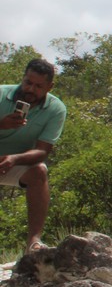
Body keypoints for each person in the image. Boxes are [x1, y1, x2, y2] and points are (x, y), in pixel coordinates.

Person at [1, 58, 67, 255]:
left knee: (39, 171)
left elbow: (42, 151)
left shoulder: (56, 109)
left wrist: (13, 159)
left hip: (11, 162)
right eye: (28, 83)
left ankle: (33, 242)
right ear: (22, 78)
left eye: (38, 86)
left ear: (50, 87)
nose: (30, 89)